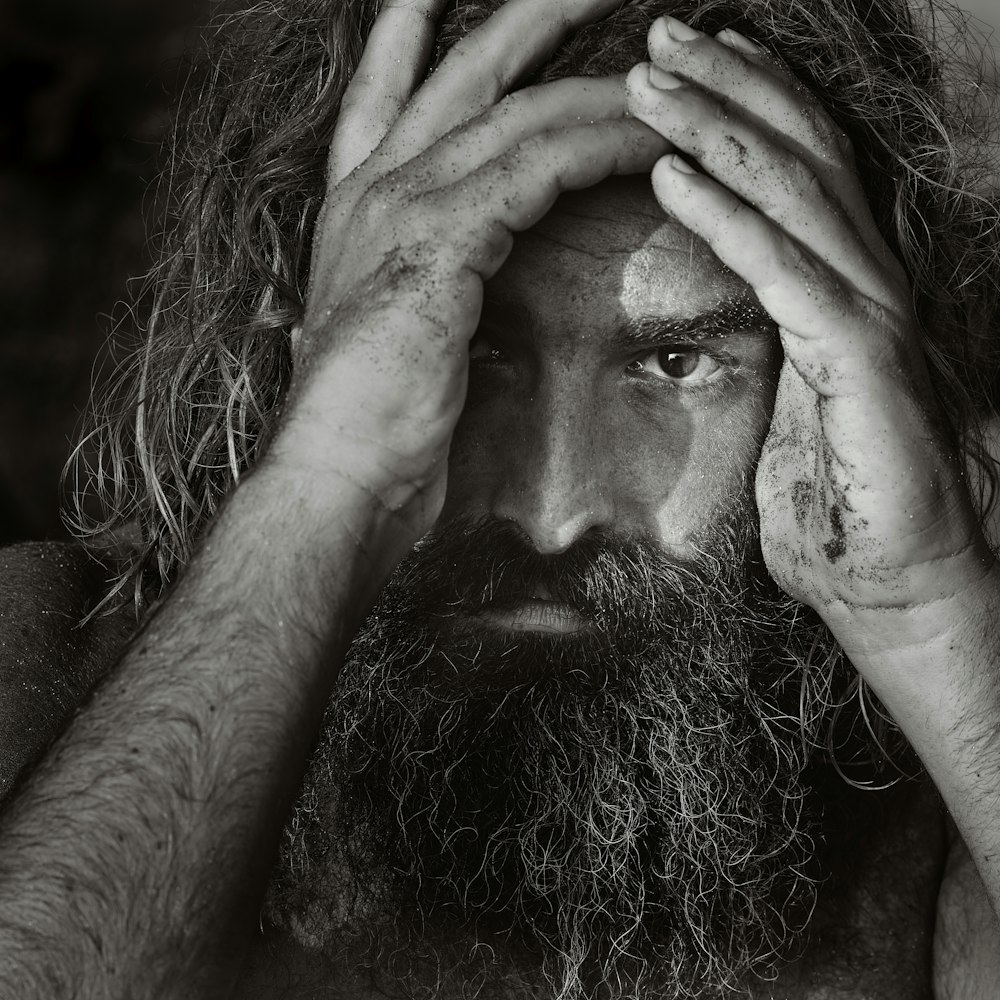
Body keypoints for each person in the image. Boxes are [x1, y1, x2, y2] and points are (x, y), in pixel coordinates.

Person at [1, 0, 999, 996]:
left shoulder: (936, 764)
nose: (551, 513)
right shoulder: (45, 667)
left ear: (829, 379)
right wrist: (326, 481)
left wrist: (920, 616)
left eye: (674, 360)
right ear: (307, 328)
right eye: (478, 352)